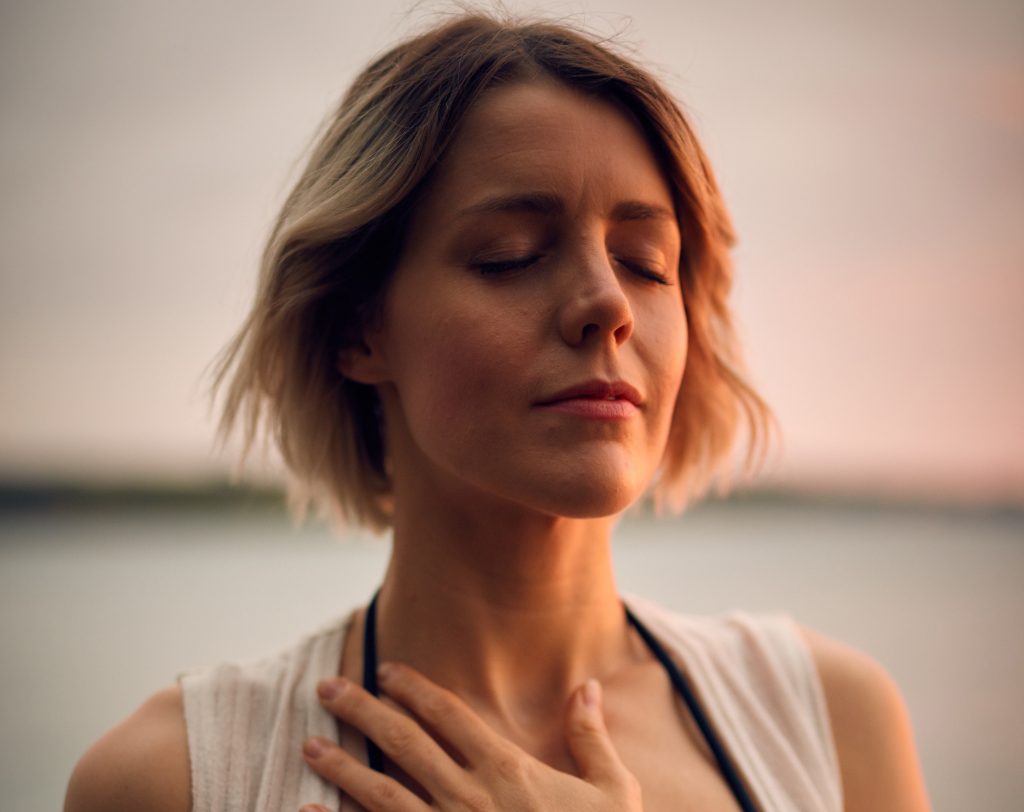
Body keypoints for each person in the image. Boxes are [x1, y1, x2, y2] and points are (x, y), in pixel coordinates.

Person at [65, 12, 931, 812]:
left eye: (644, 260)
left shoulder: (831, 721)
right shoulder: (176, 779)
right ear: (359, 327)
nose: (606, 302)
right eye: (510, 256)